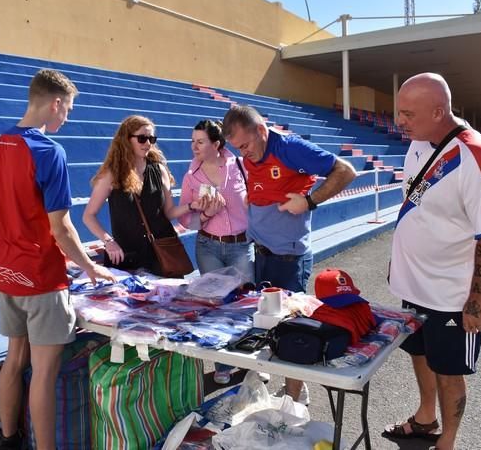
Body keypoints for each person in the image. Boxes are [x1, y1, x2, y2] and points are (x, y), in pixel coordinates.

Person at [0, 69, 116, 450]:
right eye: (67, 110)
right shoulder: (48, 151)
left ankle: (8, 438)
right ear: (55, 103)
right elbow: (62, 228)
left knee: (13, 359)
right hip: (40, 276)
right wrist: (90, 267)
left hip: (6, 270)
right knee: (43, 372)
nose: (67, 118)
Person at [384, 73, 481, 450]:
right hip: (414, 284)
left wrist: (478, 297)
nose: (399, 122)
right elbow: (419, 195)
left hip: (449, 292)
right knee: (420, 353)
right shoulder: (420, 143)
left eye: (408, 113)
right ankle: (426, 418)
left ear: (439, 111)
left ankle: (448, 442)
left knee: (449, 371)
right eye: (399, 112)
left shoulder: (476, 156)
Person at [222, 105, 357, 404]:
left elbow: (346, 171)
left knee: (292, 328)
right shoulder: (249, 157)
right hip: (263, 254)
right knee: (268, 325)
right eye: (237, 149)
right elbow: (262, 187)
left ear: (260, 130)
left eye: (245, 145)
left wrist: (309, 201)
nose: (243, 154)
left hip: (288, 258)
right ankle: (288, 389)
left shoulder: (289, 148)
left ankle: (295, 399)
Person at [178, 119, 254, 385]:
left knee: (244, 304)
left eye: (200, 142)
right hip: (208, 245)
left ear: (216, 144)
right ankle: (222, 365)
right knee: (215, 306)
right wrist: (206, 213)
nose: (194, 146)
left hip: (241, 245)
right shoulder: (191, 176)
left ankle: (249, 361)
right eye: (192, 141)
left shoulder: (240, 166)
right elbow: (186, 221)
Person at [83, 115, 205, 275]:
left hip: (162, 254)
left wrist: (191, 206)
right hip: (127, 257)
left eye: (151, 139)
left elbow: (168, 212)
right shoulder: (112, 174)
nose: (148, 143)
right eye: (142, 138)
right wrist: (108, 241)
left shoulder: (159, 170)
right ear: (126, 139)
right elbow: (88, 216)